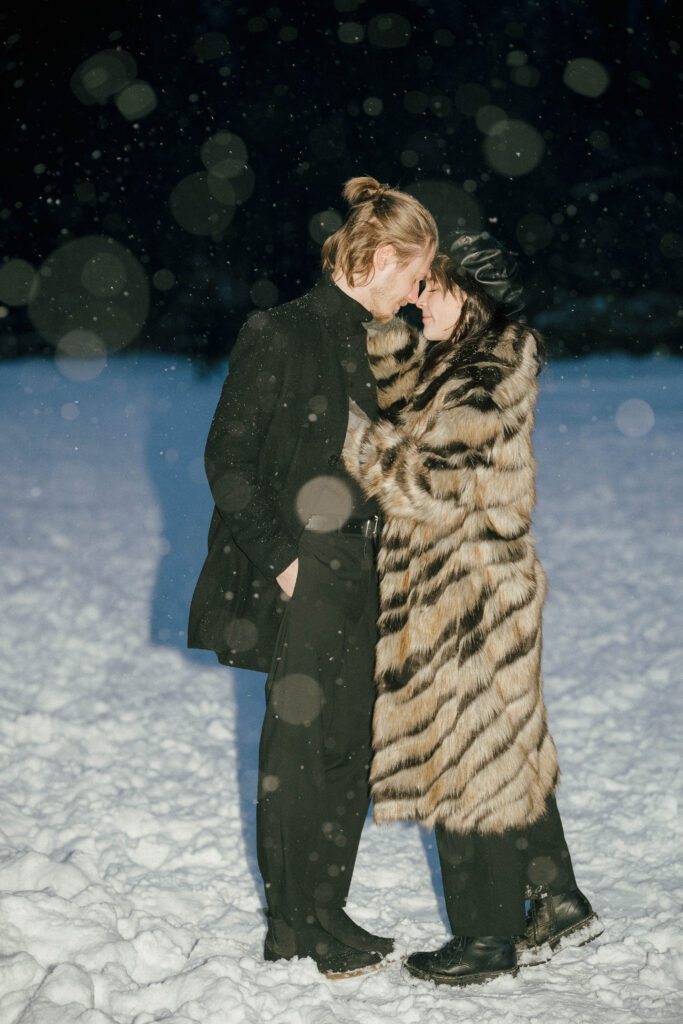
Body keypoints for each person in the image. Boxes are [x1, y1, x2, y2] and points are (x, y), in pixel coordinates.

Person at [188, 176, 437, 977]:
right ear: (380, 255)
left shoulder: (384, 342)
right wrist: (286, 562)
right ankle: (294, 924)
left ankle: (324, 910)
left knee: (347, 750)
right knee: (298, 750)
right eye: (414, 273)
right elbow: (226, 461)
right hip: (307, 562)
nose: (416, 291)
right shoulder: (281, 332)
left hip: (367, 563)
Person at [342, 232, 603, 987]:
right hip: (475, 586)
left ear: (474, 294)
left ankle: (484, 939)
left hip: (465, 596)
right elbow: (415, 410)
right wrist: (391, 343)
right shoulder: (465, 360)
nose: (420, 296)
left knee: (466, 763)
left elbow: (425, 486)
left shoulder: (484, 377)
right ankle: (556, 899)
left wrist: (355, 444)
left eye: (433, 285)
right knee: (505, 745)